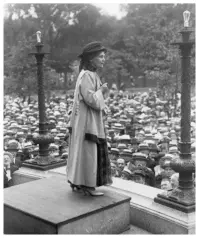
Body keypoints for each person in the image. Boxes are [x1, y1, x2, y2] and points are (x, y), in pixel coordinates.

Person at [67, 41, 112, 196]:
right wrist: (103, 91)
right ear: (91, 58)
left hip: (87, 120)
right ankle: (86, 184)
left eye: (104, 56)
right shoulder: (87, 75)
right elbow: (91, 99)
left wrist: (102, 98)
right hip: (87, 123)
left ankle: (80, 182)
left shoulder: (89, 74)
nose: (103, 59)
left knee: (85, 151)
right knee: (88, 151)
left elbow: (93, 98)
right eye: (100, 56)